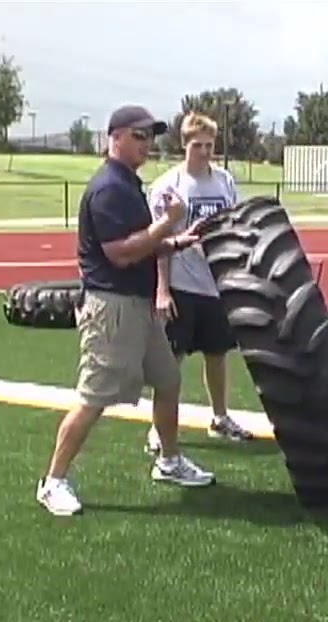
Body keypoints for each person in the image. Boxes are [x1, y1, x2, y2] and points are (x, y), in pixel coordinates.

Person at [36, 105, 217, 517]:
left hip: (139, 307)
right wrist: (168, 223)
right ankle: (54, 481)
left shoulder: (129, 185)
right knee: (93, 397)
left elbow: (143, 245)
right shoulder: (108, 189)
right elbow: (121, 253)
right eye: (138, 136)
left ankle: (169, 461)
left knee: (168, 380)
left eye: (150, 136)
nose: (147, 144)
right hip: (112, 308)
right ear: (114, 137)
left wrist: (177, 241)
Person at [142, 112, 255, 455]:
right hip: (181, 284)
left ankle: (219, 417)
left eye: (209, 145)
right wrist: (162, 290)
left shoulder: (224, 181)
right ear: (184, 144)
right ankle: (157, 430)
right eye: (198, 145)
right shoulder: (168, 186)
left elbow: (233, 228)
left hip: (215, 283)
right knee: (171, 360)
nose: (205, 152)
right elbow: (160, 241)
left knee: (218, 354)